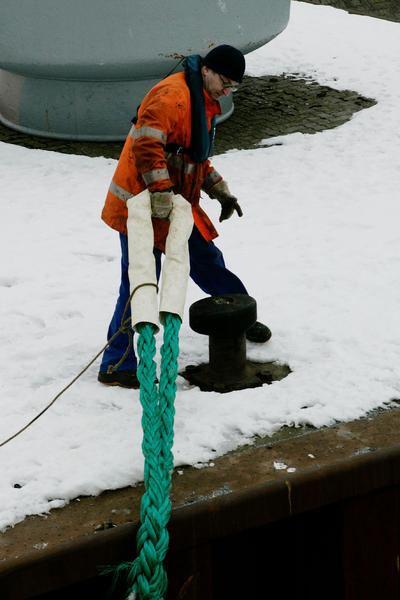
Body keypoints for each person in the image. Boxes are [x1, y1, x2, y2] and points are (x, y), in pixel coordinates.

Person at [98, 44, 271, 388]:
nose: (227, 90)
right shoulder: (171, 96)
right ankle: (116, 364)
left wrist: (219, 189)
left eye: (233, 86)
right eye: (225, 82)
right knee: (140, 285)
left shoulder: (201, 99)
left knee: (207, 258)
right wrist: (160, 193)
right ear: (207, 70)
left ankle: (239, 315)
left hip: (174, 204)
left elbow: (193, 156)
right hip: (142, 206)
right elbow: (146, 146)